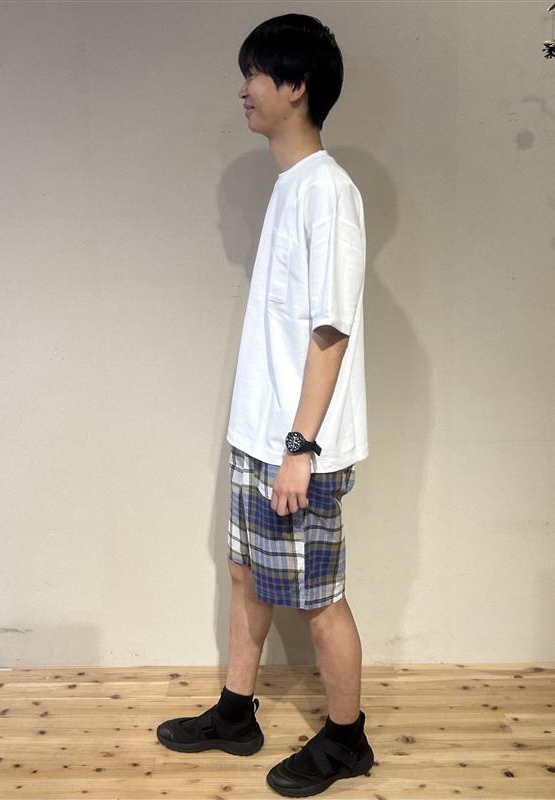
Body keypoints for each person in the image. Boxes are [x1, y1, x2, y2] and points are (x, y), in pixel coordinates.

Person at [157, 13, 373, 796]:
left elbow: (330, 333)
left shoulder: (329, 194)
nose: (243, 89)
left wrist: (301, 448)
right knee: (244, 573)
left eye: (254, 74)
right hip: (261, 434)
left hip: (297, 445)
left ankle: (346, 741)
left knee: (318, 600)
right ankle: (235, 713)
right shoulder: (291, 187)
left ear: (296, 86)